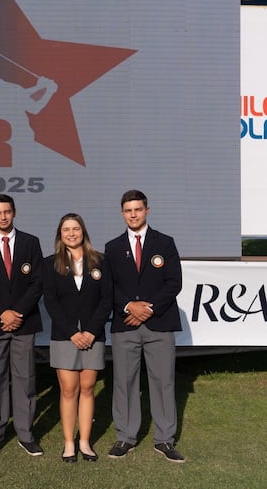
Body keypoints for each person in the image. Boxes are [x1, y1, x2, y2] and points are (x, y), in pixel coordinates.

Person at [104, 190, 185, 463]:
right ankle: (125, 436)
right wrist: (130, 307)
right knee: (124, 382)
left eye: (138, 209)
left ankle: (164, 439)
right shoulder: (113, 247)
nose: (134, 214)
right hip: (125, 325)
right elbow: (109, 287)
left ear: (147, 210)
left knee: (163, 382)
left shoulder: (165, 242)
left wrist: (147, 309)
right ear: (122, 213)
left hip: (159, 324)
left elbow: (174, 282)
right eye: (128, 210)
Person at [0, 193, 44, 456]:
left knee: (25, 379)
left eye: (7, 211)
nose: (3, 216)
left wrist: (17, 313)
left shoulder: (30, 242)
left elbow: (38, 282)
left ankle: (25, 433)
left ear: (14, 212)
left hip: (24, 323)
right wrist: (2, 313)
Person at [43, 214, 112, 463]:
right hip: (65, 336)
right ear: (59, 234)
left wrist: (91, 331)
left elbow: (107, 299)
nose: (71, 233)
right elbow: (50, 301)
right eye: (66, 229)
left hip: (93, 335)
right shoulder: (50, 263)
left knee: (87, 388)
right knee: (69, 389)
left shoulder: (101, 262)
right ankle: (69, 444)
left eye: (76, 228)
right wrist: (73, 332)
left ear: (83, 231)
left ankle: (85, 442)